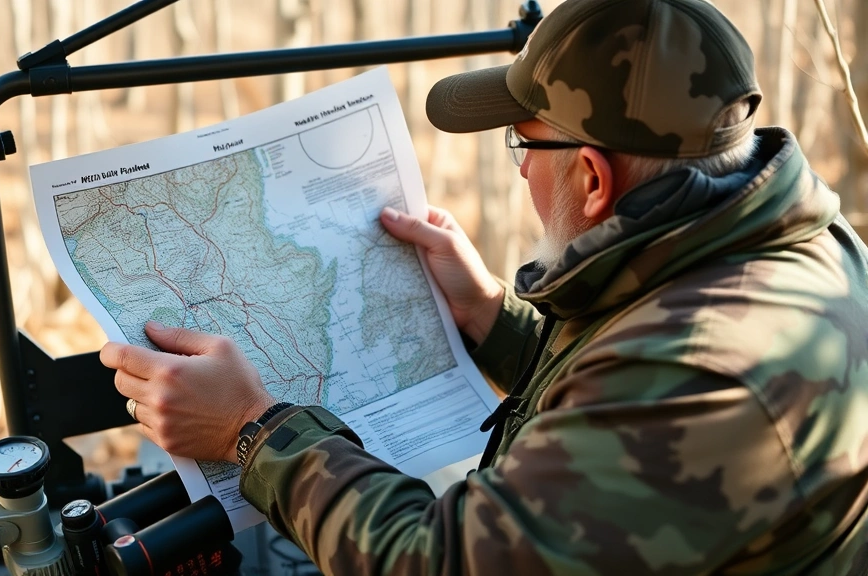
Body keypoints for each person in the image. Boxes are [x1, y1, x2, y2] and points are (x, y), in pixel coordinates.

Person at [100, 0, 868, 573]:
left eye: (524, 145)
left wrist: (251, 430)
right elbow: (620, 403)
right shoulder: (783, 242)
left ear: (594, 177)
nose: (525, 168)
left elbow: (441, 563)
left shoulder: (702, 370)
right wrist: (492, 316)